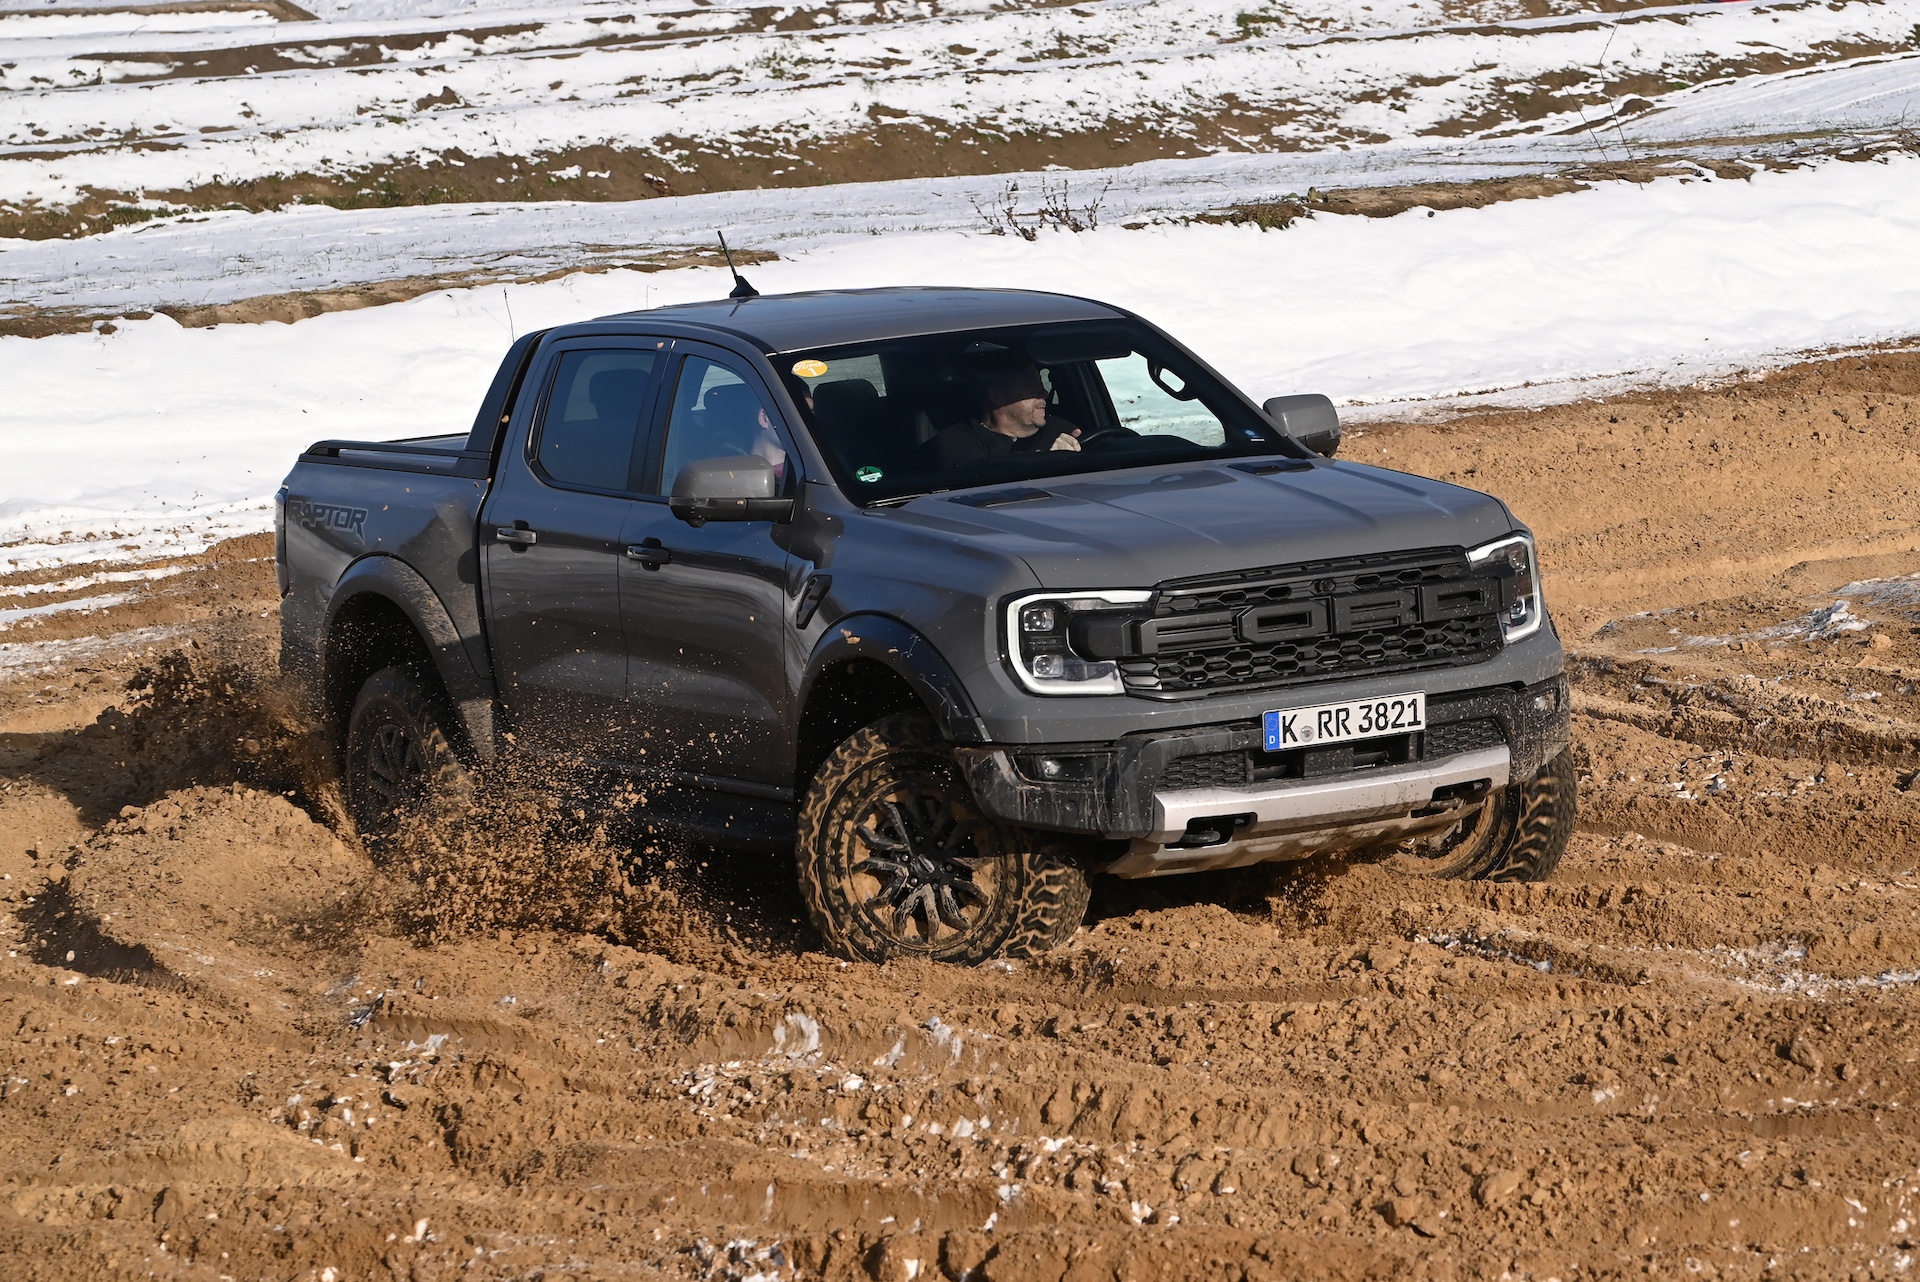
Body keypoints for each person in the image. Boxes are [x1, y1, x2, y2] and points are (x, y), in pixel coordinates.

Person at [930, 364, 1081, 471]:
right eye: (1030, 385)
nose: (1044, 393)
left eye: (1041, 384)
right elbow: (976, 476)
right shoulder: (957, 441)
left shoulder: (1059, 430)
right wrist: (1044, 460)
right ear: (997, 396)